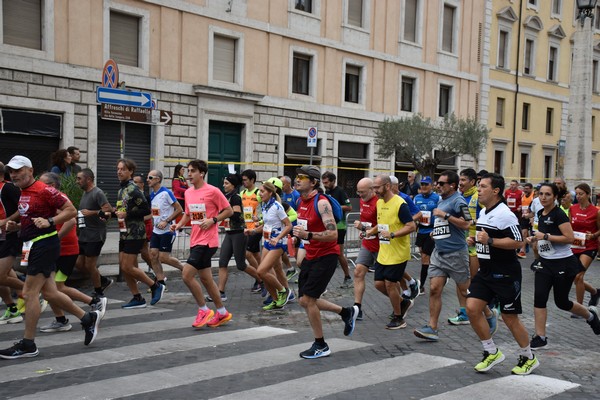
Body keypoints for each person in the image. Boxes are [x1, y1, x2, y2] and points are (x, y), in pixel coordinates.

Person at [0, 155, 100, 359]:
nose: (14, 174)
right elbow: (30, 219)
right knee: (50, 293)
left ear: (30, 170)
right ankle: (87, 318)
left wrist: (50, 221)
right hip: (34, 244)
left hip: (45, 244)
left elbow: (71, 211)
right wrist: (16, 226)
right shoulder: (23, 192)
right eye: (11, 171)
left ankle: (28, 344)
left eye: (18, 170)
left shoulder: (44, 189)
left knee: (29, 293)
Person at [468, 173, 538, 375]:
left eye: (482, 186)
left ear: (495, 190)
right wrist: (476, 241)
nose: (478, 190)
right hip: (486, 271)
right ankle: (491, 352)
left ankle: (529, 357)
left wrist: (489, 241)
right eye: (478, 186)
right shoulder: (483, 212)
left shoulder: (505, 214)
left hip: (505, 273)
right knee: (472, 308)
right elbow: (486, 237)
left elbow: (518, 242)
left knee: (509, 318)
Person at [292, 165, 358, 359]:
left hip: (326, 256)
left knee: (310, 300)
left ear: (313, 182)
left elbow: (332, 234)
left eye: (302, 177)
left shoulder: (321, 203)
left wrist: (309, 235)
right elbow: (303, 228)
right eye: (297, 177)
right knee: (303, 300)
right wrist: (297, 239)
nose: (297, 180)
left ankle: (321, 345)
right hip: (311, 255)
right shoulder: (299, 201)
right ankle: (345, 312)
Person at [526, 183, 600, 350]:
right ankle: (540, 336)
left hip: (563, 263)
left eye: (547, 194)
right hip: (545, 262)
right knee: (539, 297)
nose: (543, 197)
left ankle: (590, 316)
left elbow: (568, 238)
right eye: (541, 194)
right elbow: (545, 238)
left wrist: (545, 235)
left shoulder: (559, 215)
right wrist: (535, 239)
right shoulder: (540, 213)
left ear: (555, 197)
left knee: (562, 302)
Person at [38, 172, 107, 333]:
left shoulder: (59, 199)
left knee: (56, 288)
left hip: (66, 251)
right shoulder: (50, 200)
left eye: (42, 184)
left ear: (52, 186)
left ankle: (94, 302)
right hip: (58, 250)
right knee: (51, 288)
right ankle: (61, 319)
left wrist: (54, 239)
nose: (39, 187)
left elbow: (71, 221)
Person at [171, 160, 234, 328]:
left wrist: (213, 220)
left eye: (192, 171)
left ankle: (203, 309)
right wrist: (178, 224)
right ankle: (222, 313)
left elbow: (229, 210)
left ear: (202, 173)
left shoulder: (213, 191)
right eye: (188, 171)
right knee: (206, 279)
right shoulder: (189, 192)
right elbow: (188, 214)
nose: (189, 174)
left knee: (186, 274)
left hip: (208, 241)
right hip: (195, 239)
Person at [414, 170, 471, 342]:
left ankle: (489, 313)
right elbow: (444, 224)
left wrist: (445, 215)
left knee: (464, 291)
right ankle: (432, 328)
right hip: (439, 253)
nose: (438, 185)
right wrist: (436, 232)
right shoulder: (442, 200)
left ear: (452, 185)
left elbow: (467, 223)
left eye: (441, 183)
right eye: (437, 183)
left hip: (456, 253)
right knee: (434, 289)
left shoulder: (458, 200)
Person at [366, 175, 416, 329]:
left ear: (387, 186)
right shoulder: (380, 202)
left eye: (377, 188)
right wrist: (370, 231)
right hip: (384, 251)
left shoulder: (400, 204)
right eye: (373, 188)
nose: (375, 191)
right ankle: (403, 302)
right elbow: (382, 224)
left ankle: (398, 317)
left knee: (390, 284)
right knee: (378, 284)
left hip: (398, 251)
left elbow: (411, 226)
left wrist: (393, 234)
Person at [115, 159, 165, 309]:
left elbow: (145, 210)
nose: (119, 171)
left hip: (135, 233)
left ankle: (155, 286)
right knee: (124, 267)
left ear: (130, 172)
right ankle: (137, 297)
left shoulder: (134, 189)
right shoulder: (121, 190)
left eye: (123, 169)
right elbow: (122, 211)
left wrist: (127, 214)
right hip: (124, 232)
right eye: (118, 169)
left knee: (129, 266)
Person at [213, 173, 261, 301]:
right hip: (229, 233)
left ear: (233, 185)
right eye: (223, 183)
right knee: (222, 262)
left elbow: (236, 214)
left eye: (226, 183)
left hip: (238, 233)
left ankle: (263, 280)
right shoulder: (226, 196)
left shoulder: (235, 197)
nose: (224, 185)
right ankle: (220, 292)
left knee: (241, 265)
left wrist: (223, 214)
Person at [448, 168, 484, 325]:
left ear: (472, 182)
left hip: (477, 245)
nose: (460, 183)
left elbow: (489, 220)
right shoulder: (460, 197)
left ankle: (483, 309)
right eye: (459, 180)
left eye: (463, 180)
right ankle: (464, 312)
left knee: (474, 280)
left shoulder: (479, 197)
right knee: (461, 278)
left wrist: (475, 237)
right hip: (461, 243)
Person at [254, 181, 293, 310]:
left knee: (261, 271)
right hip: (267, 242)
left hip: (278, 244)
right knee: (264, 273)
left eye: (262, 191)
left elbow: (289, 225)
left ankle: (282, 291)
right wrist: (252, 231)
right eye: (259, 191)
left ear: (270, 193)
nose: (260, 193)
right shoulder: (265, 206)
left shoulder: (277, 206)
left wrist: (278, 238)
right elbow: (266, 225)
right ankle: (276, 300)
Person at [75, 168, 114, 298]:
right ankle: (104, 281)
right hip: (84, 234)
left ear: (89, 179)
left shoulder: (97, 193)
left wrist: (93, 212)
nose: (77, 181)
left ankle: (99, 292)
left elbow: (108, 212)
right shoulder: (85, 193)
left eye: (79, 179)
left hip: (95, 234)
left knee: (90, 265)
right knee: (80, 264)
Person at [147, 169, 184, 288]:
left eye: (150, 178)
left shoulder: (166, 193)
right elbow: (154, 213)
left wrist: (166, 221)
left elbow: (179, 210)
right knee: (153, 255)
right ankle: (161, 282)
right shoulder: (152, 195)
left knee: (163, 257)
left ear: (158, 179)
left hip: (168, 230)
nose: (148, 180)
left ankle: (186, 269)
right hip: (156, 231)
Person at [0, 161, 25, 324]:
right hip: (1, 236)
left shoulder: (8, 188)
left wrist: (6, 221)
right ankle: (13, 309)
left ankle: (30, 290)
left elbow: (23, 208)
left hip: (10, 236)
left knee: (0, 275)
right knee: (5, 274)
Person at [389, 175, 421, 300]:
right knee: (392, 266)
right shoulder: (385, 199)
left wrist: (406, 221)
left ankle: (410, 284)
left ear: (394, 186)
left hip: (400, 237)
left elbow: (418, 214)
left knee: (395, 266)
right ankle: (408, 287)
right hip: (388, 237)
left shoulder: (404, 198)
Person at [352, 177, 379, 321]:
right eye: (358, 192)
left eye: (362, 192)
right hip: (367, 243)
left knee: (390, 280)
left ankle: (409, 285)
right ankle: (358, 308)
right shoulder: (363, 200)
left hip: (382, 245)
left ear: (372, 190)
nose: (360, 195)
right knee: (358, 272)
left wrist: (364, 227)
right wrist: (363, 231)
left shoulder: (379, 202)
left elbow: (383, 226)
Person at [569, 183, 600, 309]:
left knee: (578, 275)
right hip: (574, 245)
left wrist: (593, 235)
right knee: (573, 277)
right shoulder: (573, 209)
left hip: (589, 246)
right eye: (577, 194)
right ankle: (595, 292)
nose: (578, 196)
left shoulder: (596, 212)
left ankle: (579, 308)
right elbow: (569, 227)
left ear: (588, 194)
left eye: (581, 194)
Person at [321, 171, 353, 288]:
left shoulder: (340, 191)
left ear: (333, 181)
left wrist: (334, 206)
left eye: (326, 182)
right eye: (323, 182)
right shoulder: (327, 191)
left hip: (340, 226)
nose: (324, 185)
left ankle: (348, 277)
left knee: (339, 254)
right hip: (330, 226)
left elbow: (349, 207)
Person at [413, 176, 439, 294]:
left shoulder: (437, 198)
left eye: (426, 184)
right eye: (422, 184)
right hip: (421, 231)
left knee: (424, 258)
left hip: (431, 232)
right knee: (424, 257)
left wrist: (437, 229)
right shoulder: (417, 198)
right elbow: (413, 212)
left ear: (432, 186)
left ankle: (421, 286)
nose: (423, 186)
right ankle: (442, 272)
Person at [241, 169, 263, 291]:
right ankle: (262, 274)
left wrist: (259, 219)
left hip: (256, 228)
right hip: (246, 228)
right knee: (255, 254)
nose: (243, 182)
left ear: (252, 180)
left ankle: (260, 276)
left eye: (245, 180)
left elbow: (264, 210)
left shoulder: (259, 193)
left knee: (247, 253)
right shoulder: (242, 193)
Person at [518, 183, 535, 258]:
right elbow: (522, 204)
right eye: (525, 188)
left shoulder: (534, 196)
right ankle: (522, 251)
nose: (526, 190)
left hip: (532, 217)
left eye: (527, 189)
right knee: (524, 233)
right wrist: (520, 207)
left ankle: (535, 251)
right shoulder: (522, 195)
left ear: (531, 189)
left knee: (533, 235)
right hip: (524, 217)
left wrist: (532, 217)